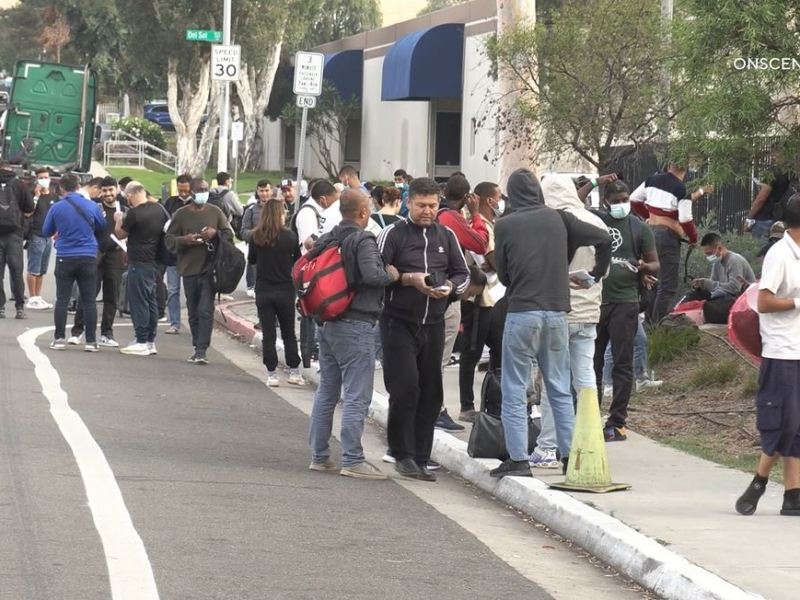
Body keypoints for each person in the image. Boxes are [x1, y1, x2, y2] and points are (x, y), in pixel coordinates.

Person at [491, 168, 611, 478]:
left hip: (522, 313)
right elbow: (603, 239)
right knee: (559, 387)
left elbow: (503, 276)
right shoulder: (561, 219)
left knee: (515, 387)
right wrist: (597, 273)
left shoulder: (505, 226)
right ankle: (570, 456)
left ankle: (518, 459)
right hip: (558, 313)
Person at [378, 177, 470, 481]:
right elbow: (376, 272)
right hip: (398, 321)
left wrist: (450, 287)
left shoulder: (447, 236)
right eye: (422, 205)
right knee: (405, 386)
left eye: (433, 205)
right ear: (408, 203)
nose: (428, 211)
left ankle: (421, 454)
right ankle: (401, 453)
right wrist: (408, 279)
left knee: (431, 393)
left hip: (434, 322)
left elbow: (463, 273)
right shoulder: (393, 234)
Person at [309, 190, 399, 479]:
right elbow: (373, 276)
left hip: (327, 321)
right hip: (357, 322)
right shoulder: (363, 238)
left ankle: (320, 455)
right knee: (357, 395)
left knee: (327, 392)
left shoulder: (329, 237)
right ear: (363, 212)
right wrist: (393, 275)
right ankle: (352, 459)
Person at [535, 174, 610, 462]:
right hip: (590, 311)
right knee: (585, 377)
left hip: (560, 312)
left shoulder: (553, 224)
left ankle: (549, 446)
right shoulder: (596, 222)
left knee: (556, 381)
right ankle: (590, 440)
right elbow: (605, 268)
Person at [735, 195, 800, 517]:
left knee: (797, 427)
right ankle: (760, 481)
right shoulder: (780, 255)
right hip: (783, 351)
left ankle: (792, 495)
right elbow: (763, 302)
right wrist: (798, 302)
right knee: (782, 423)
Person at [594, 180, 659, 442]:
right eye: (617, 200)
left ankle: (616, 422)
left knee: (622, 363)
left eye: (625, 199)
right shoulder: (595, 221)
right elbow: (573, 201)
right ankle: (589, 416)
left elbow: (656, 264)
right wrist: (596, 182)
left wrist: (644, 267)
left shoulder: (639, 228)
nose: (622, 204)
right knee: (592, 363)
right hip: (596, 302)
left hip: (626, 302)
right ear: (606, 200)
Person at [435, 173, 490, 432]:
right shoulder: (451, 218)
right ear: (468, 197)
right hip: (449, 293)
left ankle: (433, 407)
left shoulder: (438, 215)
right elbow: (480, 243)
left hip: (436, 290)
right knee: (441, 356)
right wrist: (477, 214)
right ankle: (435, 409)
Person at [629, 165, 713, 323]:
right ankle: (660, 326)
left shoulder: (651, 180)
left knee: (653, 281)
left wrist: (647, 215)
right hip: (667, 238)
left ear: (669, 166)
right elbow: (685, 219)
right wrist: (693, 238)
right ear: (685, 169)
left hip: (649, 232)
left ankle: (649, 324)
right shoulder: (681, 188)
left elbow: (634, 199)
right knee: (667, 285)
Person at [165, 178, 232, 365]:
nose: (203, 192)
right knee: (193, 311)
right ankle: (197, 345)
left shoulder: (216, 212)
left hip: (210, 270)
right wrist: (185, 240)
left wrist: (215, 234)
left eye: (205, 189)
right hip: (189, 269)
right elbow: (169, 240)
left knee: (205, 310)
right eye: (199, 190)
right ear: (191, 192)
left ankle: (202, 349)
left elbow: (229, 235)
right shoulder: (181, 214)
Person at [41, 173, 106, 350]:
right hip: (88, 256)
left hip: (65, 255)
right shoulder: (92, 206)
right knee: (89, 299)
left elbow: (46, 230)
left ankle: (59, 338)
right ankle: (91, 341)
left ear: (61, 188)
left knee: (62, 298)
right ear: (78, 186)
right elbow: (102, 226)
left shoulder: (57, 208)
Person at [458, 181, 503, 423]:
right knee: (471, 353)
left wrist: (496, 261)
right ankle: (467, 406)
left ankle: (493, 402)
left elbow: (493, 261)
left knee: (499, 351)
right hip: (478, 301)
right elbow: (491, 259)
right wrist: (498, 261)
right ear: (489, 200)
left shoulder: (491, 224)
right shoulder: (477, 225)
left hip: (494, 298)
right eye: (498, 197)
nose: (500, 201)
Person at [247, 198, 304, 386]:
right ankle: (294, 371)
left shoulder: (257, 236)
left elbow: (252, 260)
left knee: (268, 334)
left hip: (264, 289)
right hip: (285, 289)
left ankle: (272, 374)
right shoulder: (290, 237)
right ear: (280, 214)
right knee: (289, 333)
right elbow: (298, 260)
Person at [69, 176, 126, 348]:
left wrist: (120, 222)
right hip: (94, 255)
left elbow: (130, 233)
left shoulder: (124, 210)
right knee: (88, 294)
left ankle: (107, 334)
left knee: (112, 296)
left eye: (111, 190)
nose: (108, 194)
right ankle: (77, 332)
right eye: (105, 190)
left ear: (116, 190)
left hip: (115, 257)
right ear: (100, 191)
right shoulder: (93, 207)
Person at [114, 181, 167, 356]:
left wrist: (118, 219)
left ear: (130, 195)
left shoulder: (134, 214)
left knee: (139, 302)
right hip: (153, 261)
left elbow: (120, 233)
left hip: (138, 262)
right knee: (151, 301)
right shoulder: (159, 209)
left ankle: (141, 339)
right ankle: (150, 340)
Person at [295, 180, 338, 369]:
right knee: (309, 313)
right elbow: (308, 244)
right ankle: (309, 351)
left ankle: (314, 348)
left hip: (318, 269)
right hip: (310, 271)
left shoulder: (318, 213)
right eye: (333, 200)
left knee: (317, 311)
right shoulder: (308, 213)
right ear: (323, 199)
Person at [683, 232, 756, 323]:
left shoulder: (734, 261)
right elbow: (713, 287)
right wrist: (701, 284)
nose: (709, 257)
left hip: (741, 301)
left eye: (710, 253)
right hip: (725, 296)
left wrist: (708, 283)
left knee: (709, 308)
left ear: (720, 248)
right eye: (706, 254)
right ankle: (678, 314)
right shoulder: (717, 262)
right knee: (693, 295)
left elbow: (734, 288)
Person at [0, 162, 34, 319]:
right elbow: (29, 208)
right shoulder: (20, 184)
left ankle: (0, 308)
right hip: (14, 234)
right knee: (16, 271)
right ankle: (19, 307)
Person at [162, 173, 194, 334]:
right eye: (180, 190)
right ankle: (175, 322)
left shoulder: (197, 204)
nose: (183, 194)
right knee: (173, 290)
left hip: (191, 256)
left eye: (186, 191)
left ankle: (193, 321)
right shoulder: (170, 202)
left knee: (191, 291)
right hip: (173, 255)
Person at [25, 166, 56, 310]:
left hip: (48, 237)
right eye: (41, 178)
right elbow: (28, 213)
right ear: (37, 179)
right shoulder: (32, 194)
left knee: (42, 270)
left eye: (46, 177)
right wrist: (36, 196)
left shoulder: (52, 196)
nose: (44, 180)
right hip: (36, 235)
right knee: (34, 269)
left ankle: (38, 296)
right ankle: (32, 297)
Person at [240, 179, 273, 298]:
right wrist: (257, 236)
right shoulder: (251, 210)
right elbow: (243, 231)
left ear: (271, 191)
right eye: (261, 191)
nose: (264, 194)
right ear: (257, 192)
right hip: (256, 250)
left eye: (267, 190)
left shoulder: (279, 208)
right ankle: (251, 285)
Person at [747, 168, 794, 240]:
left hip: (764, 219)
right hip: (781, 218)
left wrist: (749, 218)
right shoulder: (792, 173)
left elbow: (761, 199)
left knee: (762, 248)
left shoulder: (773, 173)